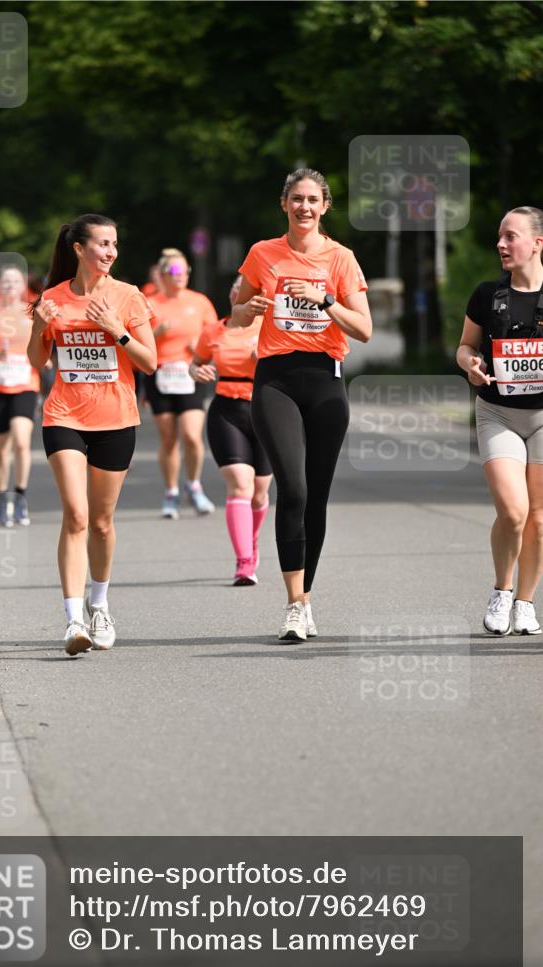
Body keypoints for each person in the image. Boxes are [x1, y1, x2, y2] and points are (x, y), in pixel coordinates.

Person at [233, 167, 371, 641]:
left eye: (313, 199)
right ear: (284, 203)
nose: (305, 207)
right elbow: (235, 315)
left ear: (325, 206)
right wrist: (246, 311)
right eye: (297, 199)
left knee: (316, 496)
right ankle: (294, 605)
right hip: (275, 381)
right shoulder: (262, 254)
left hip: (325, 382)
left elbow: (364, 328)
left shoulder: (341, 258)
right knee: (291, 489)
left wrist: (324, 299)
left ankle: (306, 596)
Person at [27, 213, 157, 656]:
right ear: (79, 249)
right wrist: (39, 325)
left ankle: (99, 605)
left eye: (114, 245)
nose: (110, 252)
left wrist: (116, 331)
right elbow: (36, 360)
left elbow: (149, 362)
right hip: (64, 416)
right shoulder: (53, 297)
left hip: (116, 419)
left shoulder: (128, 296)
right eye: (102, 244)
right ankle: (73, 620)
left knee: (101, 522)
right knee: (76, 516)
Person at [456, 205, 543, 637]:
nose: (501, 244)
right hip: (498, 412)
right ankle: (502, 590)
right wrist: (471, 363)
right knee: (513, 512)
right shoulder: (488, 295)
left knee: (539, 518)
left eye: (511, 236)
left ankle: (526, 603)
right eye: (499, 236)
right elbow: (465, 346)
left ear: (536, 243)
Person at [190, 275, 272, 584]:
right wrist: (198, 370)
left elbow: (293, 364)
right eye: (239, 287)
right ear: (232, 294)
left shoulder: (270, 328)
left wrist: (266, 360)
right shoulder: (213, 330)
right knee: (240, 483)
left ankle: (251, 541)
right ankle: (243, 562)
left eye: (251, 289)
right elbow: (194, 362)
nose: (243, 292)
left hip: (266, 409)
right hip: (226, 409)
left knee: (260, 491)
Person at [145, 248, 218, 518]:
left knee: (192, 436)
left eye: (185, 270)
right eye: (175, 271)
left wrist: (199, 345)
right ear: (163, 274)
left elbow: (215, 334)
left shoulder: (199, 302)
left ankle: (194, 485)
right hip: (161, 374)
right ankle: (171, 491)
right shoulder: (150, 302)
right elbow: (136, 342)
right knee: (168, 439)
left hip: (191, 373)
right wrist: (156, 332)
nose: (181, 276)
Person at [0, 267, 41, 527]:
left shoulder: (31, 312)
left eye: (15, 280)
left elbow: (42, 344)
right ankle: (3, 500)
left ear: (22, 284)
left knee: (22, 442)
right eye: (6, 281)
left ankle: (20, 498)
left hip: (25, 384)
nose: (10, 285)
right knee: (1, 451)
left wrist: (41, 361)